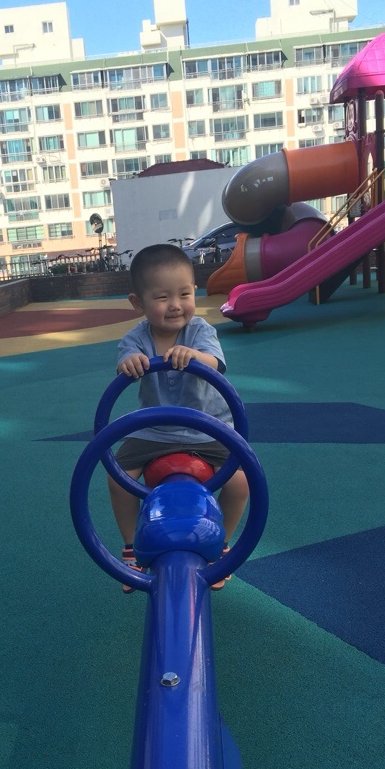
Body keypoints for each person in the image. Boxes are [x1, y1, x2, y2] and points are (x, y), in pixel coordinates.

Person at [108, 243, 249, 591]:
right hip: (154, 429)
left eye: (185, 294)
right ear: (138, 303)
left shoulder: (200, 331)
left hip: (207, 427)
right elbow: (124, 361)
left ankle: (220, 544)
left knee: (240, 483)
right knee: (117, 477)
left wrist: (196, 356)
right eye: (162, 297)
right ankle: (131, 545)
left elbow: (215, 362)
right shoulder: (135, 338)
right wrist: (129, 364)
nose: (175, 305)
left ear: (194, 292)